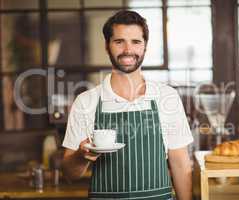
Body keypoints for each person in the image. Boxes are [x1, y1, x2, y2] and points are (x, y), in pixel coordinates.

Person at [62, 10, 193, 200]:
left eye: (136, 42)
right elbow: (69, 173)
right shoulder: (86, 102)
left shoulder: (167, 97)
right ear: (107, 46)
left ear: (145, 47)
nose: (127, 50)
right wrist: (81, 157)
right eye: (119, 41)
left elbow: (180, 164)